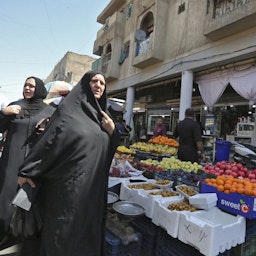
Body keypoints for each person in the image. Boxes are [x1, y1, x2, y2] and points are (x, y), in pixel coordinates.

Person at [17, 70, 120, 255]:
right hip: (67, 192)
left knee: (86, 238)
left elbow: (106, 154)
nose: (98, 85)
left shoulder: (103, 118)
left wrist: (112, 133)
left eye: (102, 83)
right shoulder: (68, 112)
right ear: (84, 84)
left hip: (92, 193)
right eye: (94, 81)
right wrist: (26, 171)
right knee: (64, 238)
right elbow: (49, 142)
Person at [0, 77, 56, 248]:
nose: (27, 88)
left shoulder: (49, 111)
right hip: (11, 163)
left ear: (39, 89)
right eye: (25, 85)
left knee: (27, 200)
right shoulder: (15, 106)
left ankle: (21, 237)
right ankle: (3, 235)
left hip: (34, 166)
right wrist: (4, 113)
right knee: (5, 198)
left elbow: (56, 138)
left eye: (32, 85)